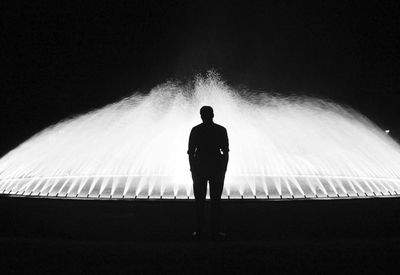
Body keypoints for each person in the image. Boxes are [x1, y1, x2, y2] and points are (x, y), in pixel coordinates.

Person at [187, 106, 229, 240]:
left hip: (200, 168)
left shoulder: (196, 130)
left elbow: (191, 152)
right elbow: (225, 152)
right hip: (216, 168)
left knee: (199, 202)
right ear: (213, 115)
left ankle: (199, 231)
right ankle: (215, 232)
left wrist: (192, 168)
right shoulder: (221, 130)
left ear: (201, 115)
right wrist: (224, 168)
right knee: (216, 202)